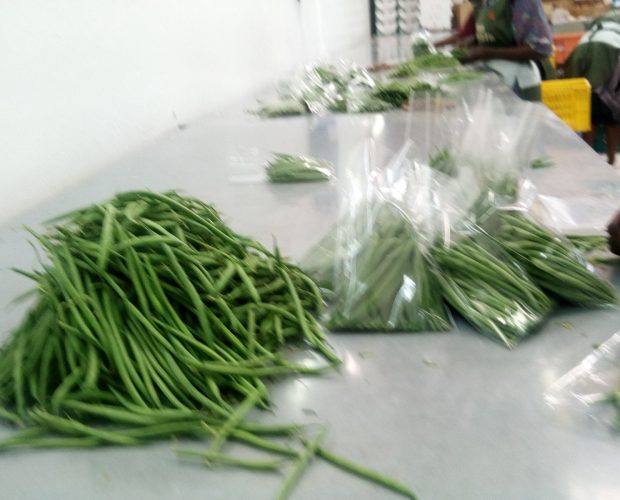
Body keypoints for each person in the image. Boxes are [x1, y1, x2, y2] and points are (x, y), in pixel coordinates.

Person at [436, 0, 555, 101]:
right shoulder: (484, 3)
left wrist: (487, 53)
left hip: (517, 84)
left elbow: (541, 48)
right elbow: (472, 34)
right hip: (494, 81)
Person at [564, 12, 620, 166]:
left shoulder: (604, 19)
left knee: (587, 111)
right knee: (612, 112)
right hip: (611, 49)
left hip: (582, 48)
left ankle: (587, 159)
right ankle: (611, 159)